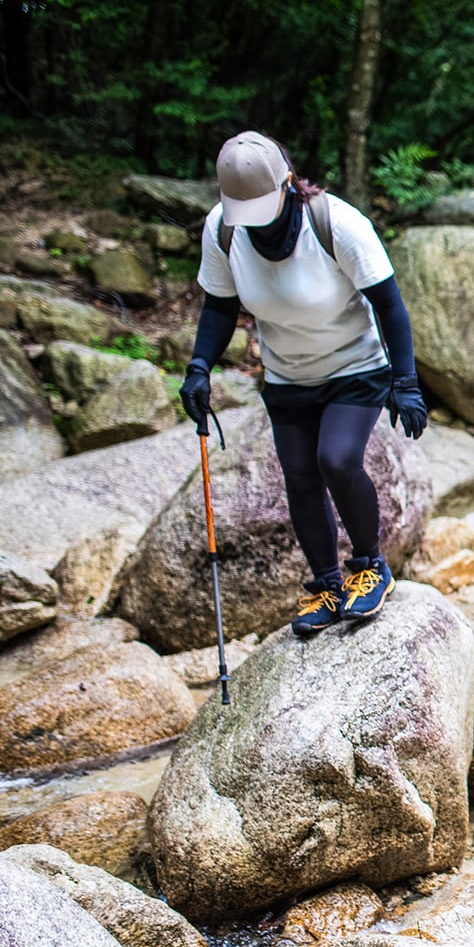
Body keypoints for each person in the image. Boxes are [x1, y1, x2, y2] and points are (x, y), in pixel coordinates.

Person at [180, 130, 428, 635]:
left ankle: (370, 567)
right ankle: (326, 584)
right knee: (299, 476)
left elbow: (389, 305)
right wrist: (199, 367)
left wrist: (405, 382)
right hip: (287, 373)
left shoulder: (337, 224)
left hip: (355, 366)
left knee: (335, 459)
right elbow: (220, 305)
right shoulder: (222, 230)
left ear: (289, 184)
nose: (249, 219)